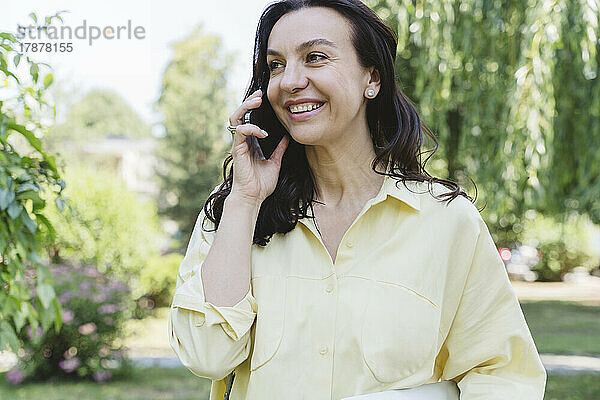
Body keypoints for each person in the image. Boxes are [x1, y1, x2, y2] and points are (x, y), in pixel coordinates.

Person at [168, 0, 547, 399]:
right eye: (275, 64)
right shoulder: (235, 211)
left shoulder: (446, 221)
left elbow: (503, 374)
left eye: (314, 58)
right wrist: (245, 199)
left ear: (372, 78)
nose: (290, 80)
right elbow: (207, 357)